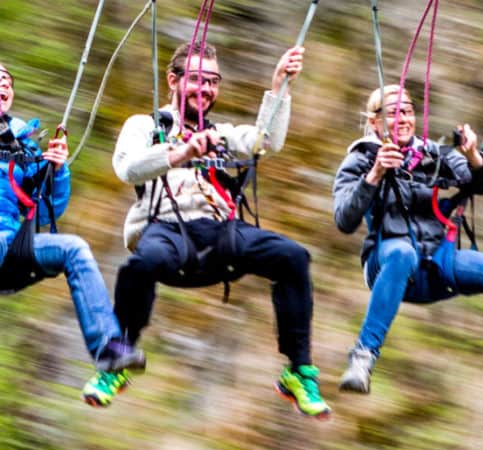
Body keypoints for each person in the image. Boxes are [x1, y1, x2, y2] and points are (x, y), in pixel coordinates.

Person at [99, 41, 331, 419]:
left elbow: (264, 141)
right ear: (172, 81)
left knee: (293, 257)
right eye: (196, 80)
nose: (205, 89)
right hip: (166, 228)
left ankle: (298, 370)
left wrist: (279, 86)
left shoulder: (220, 132)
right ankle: (118, 356)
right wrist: (180, 153)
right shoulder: (146, 126)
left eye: (213, 81)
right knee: (142, 264)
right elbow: (127, 169)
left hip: (220, 232)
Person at [333, 84, 483, 393]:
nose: (404, 119)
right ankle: (363, 356)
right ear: (375, 122)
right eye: (394, 113)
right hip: (387, 262)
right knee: (402, 254)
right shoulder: (361, 160)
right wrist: (376, 174)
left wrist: (473, 155)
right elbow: (344, 220)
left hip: (437, 263)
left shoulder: (432, 155)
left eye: (408, 111)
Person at [0, 64, 145, 408]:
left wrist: (56, 168)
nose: (2, 86)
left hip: (9, 246)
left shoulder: (19, 148)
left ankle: (108, 351)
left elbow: (51, 208)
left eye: (6, 82)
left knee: (74, 249)